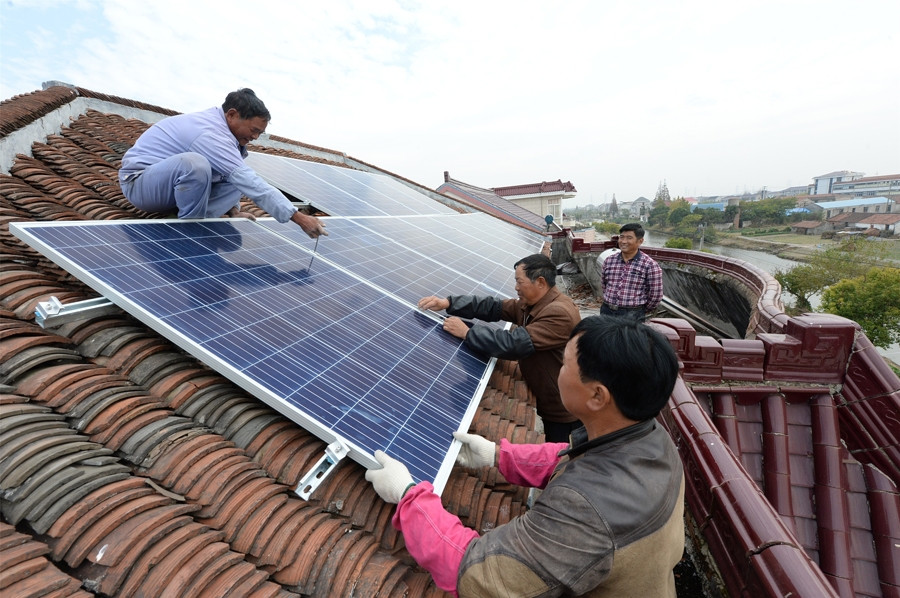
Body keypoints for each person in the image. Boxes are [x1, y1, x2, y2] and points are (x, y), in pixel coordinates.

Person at [365, 315, 685, 597]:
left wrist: (409, 496)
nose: (558, 371)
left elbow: (482, 579)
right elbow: (573, 458)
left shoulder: (584, 514)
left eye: (566, 365)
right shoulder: (652, 441)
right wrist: (499, 455)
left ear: (598, 396)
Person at [118, 88, 326, 238]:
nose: (254, 137)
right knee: (196, 165)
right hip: (140, 183)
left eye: (259, 134)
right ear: (232, 115)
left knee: (235, 174)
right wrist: (298, 217)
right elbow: (247, 180)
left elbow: (233, 175)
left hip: (171, 188)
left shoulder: (228, 137)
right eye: (253, 130)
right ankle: (190, 231)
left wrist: (233, 209)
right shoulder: (209, 133)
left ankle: (197, 217)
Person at [418, 254, 581, 442]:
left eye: (520, 282)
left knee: (559, 459)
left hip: (565, 408)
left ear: (541, 282)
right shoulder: (535, 304)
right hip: (552, 398)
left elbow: (513, 344)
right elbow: (494, 307)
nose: (516, 288)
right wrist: (449, 303)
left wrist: (467, 333)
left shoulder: (558, 313)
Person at [597, 222, 662, 320]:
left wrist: (640, 310)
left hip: (632, 314)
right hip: (607, 311)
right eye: (621, 237)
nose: (623, 241)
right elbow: (604, 285)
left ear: (640, 241)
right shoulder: (609, 260)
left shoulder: (650, 265)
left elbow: (655, 295)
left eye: (629, 238)